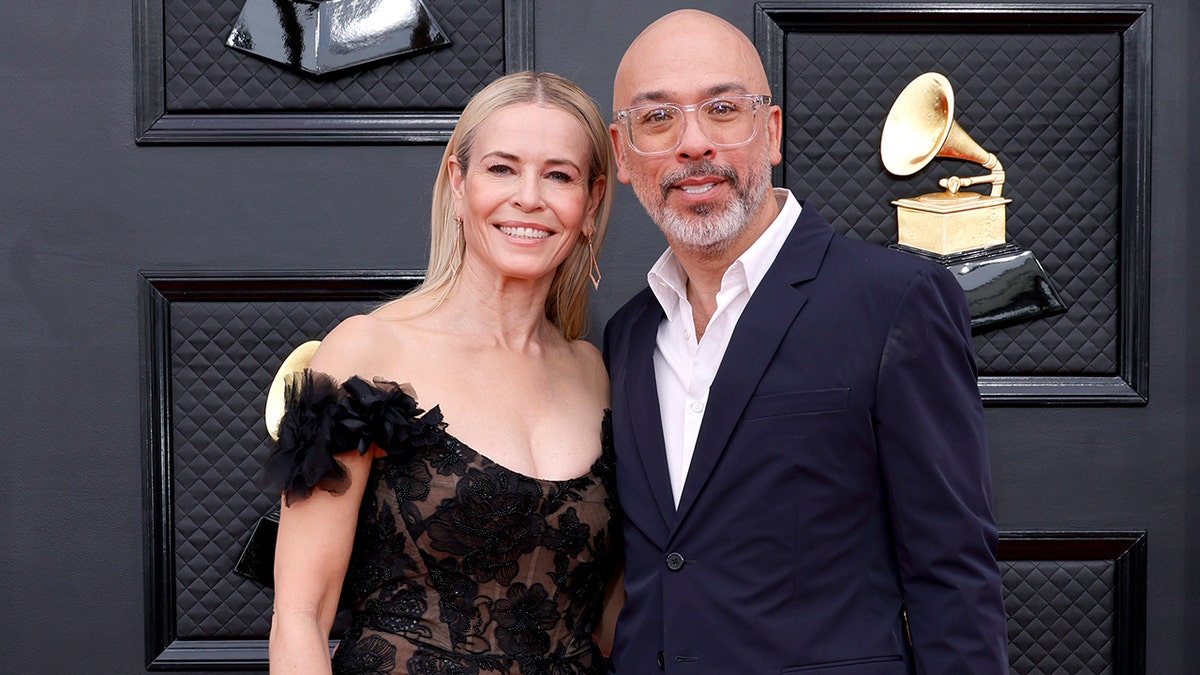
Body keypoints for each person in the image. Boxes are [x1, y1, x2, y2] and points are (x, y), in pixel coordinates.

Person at [602, 10, 1008, 674]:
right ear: (622, 154)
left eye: (723, 109)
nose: (693, 143)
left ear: (772, 130)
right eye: (657, 119)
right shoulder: (627, 335)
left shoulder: (896, 299)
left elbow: (953, 577)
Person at [264, 71, 621, 674]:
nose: (528, 197)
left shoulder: (597, 373)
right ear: (458, 184)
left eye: (558, 175)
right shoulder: (367, 352)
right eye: (502, 168)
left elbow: (612, 616)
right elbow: (300, 614)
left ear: (590, 203)